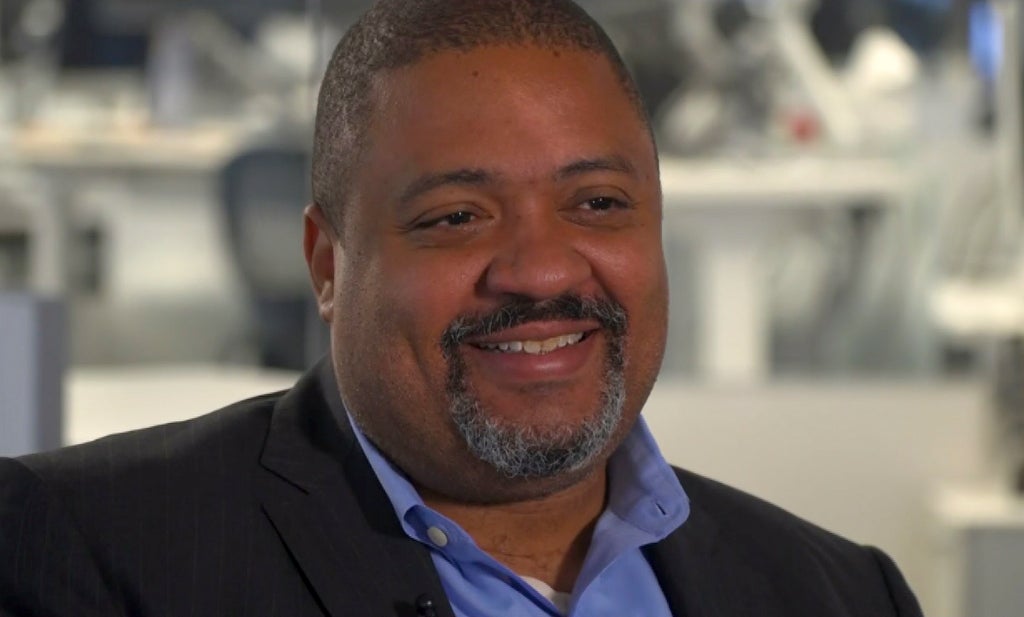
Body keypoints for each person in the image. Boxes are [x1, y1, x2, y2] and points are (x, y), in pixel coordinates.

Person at [0, 1, 924, 616]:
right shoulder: (85, 550)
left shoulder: (842, 594)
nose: (539, 270)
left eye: (598, 202)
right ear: (327, 265)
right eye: (456, 216)